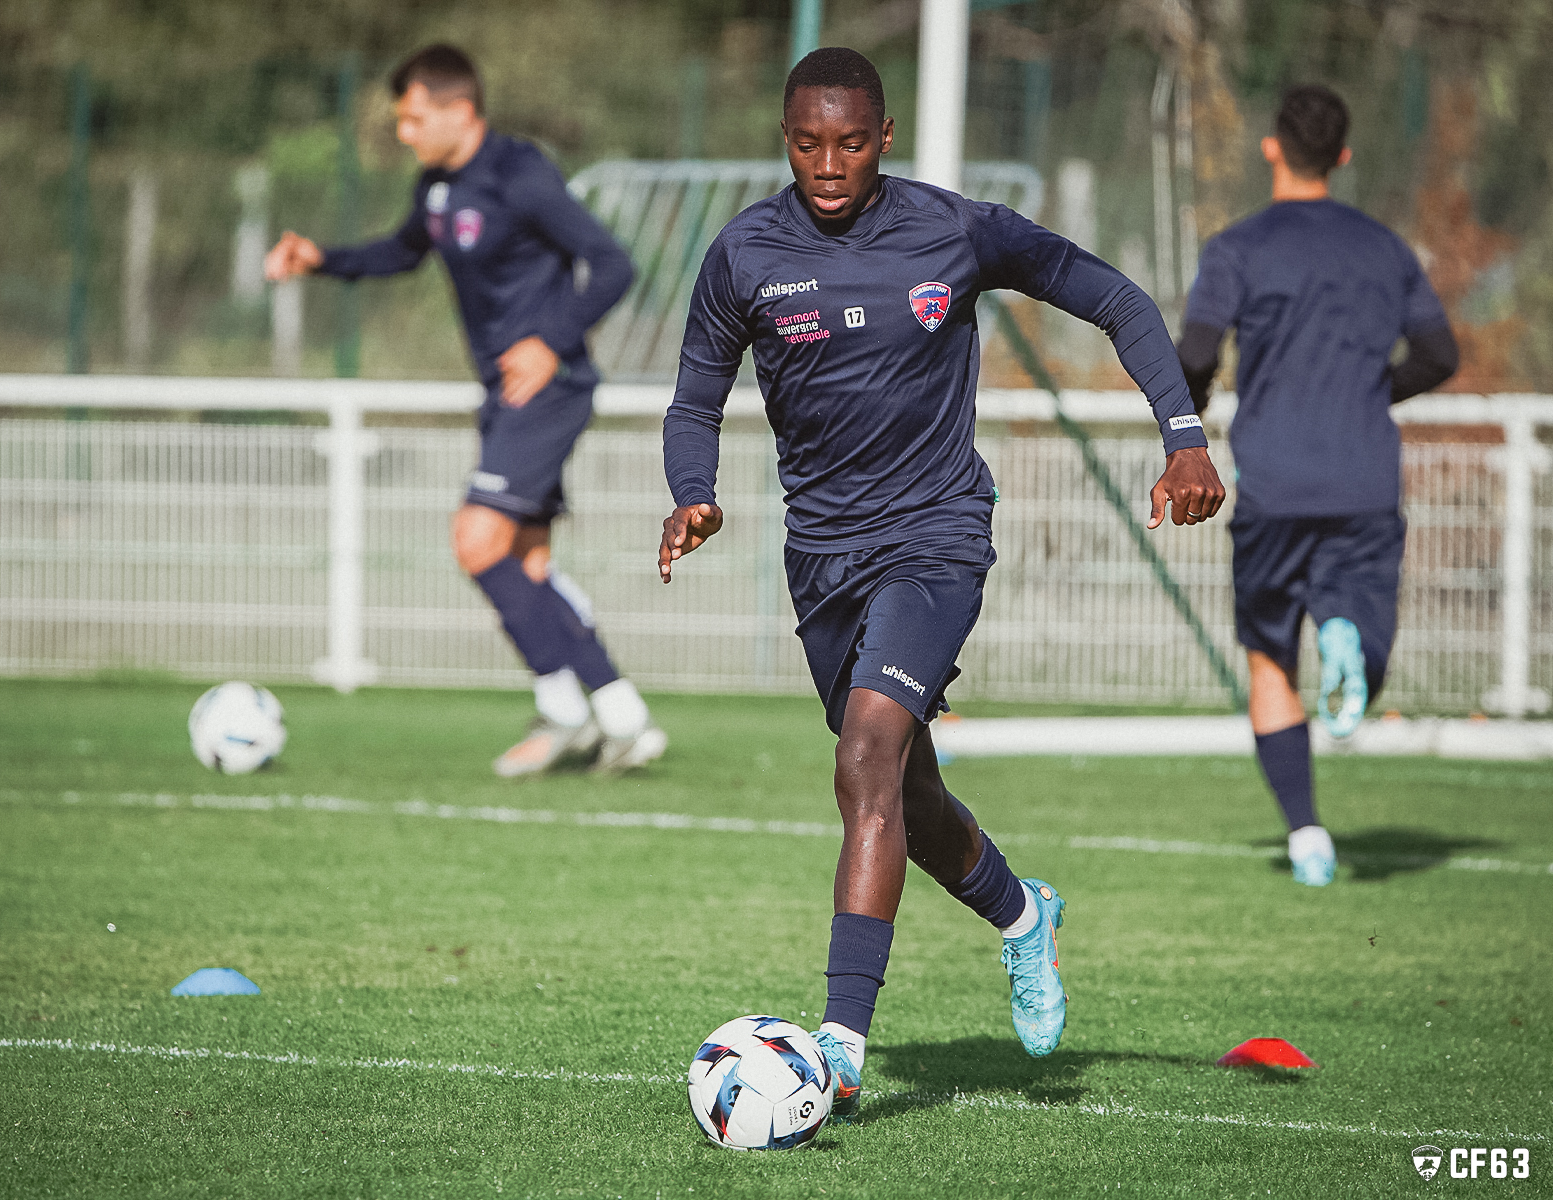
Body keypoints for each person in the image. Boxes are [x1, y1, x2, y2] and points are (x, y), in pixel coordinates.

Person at [659, 47, 1225, 1115]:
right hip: (821, 557)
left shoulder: (955, 229)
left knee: (866, 756)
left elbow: (1116, 299)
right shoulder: (743, 254)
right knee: (904, 797)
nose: (828, 163)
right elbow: (694, 399)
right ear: (784, 139)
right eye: (806, 143)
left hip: (936, 535)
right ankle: (1023, 916)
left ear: (884, 137)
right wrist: (693, 491)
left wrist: (1184, 437)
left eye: (851, 141)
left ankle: (836, 1052)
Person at [265, 44, 665, 776]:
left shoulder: (521, 175)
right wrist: (319, 258)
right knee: (526, 566)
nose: (403, 132)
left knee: (476, 541)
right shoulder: (437, 186)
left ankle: (567, 710)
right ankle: (621, 718)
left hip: (549, 386)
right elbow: (402, 251)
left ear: (458, 110)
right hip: (503, 393)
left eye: (414, 117)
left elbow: (612, 264)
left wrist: (549, 341)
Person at [1177, 84, 1458, 886]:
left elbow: (1195, 353)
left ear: (1273, 148)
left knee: (1270, 658)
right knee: (1363, 648)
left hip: (1274, 481)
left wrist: (1186, 415)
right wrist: (1373, 393)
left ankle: (1306, 837)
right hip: (1366, 479)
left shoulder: (1238, 248)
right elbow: (1441, 355)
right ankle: (1348, 642)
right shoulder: (1385, 250)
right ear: (1342, 155)